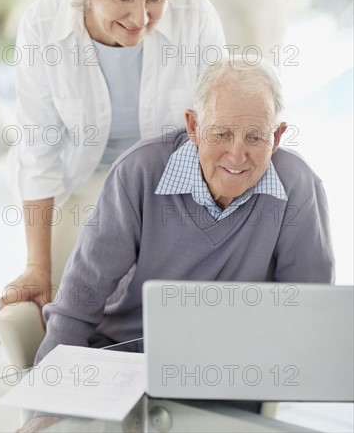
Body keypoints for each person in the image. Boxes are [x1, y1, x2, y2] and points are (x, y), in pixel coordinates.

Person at [35, 57, 334, 364]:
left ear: (277, 138)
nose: (237, 155)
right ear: (194, 126)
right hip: (130, 353)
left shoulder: (297, 185)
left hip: (237, 366)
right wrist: (46, 402)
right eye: (221, 134)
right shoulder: (138, 172)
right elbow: (75, 309)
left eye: (255, 137)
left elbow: (308, 314)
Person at [0, 0, 225, 311]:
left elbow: (219, 123)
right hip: (86, 182)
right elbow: (38, 155)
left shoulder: (195, 14)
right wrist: (37, 266)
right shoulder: (42, 26)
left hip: (174, 182)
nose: (140, 18)